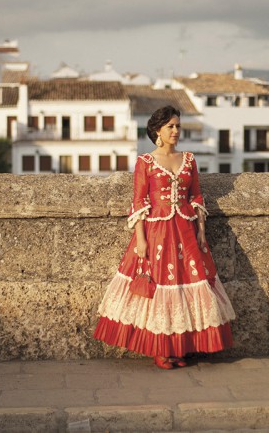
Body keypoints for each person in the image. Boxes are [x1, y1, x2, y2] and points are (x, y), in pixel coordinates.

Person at [93, 106, 235, 368]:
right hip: (156, 233)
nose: (176, 131)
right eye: (170, 126)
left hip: (186, 232)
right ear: (157, 130)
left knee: (185, 287)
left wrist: (201, 230)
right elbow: (138, 201)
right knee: (159, 288)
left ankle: (179, 348)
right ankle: (161, 349)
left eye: (178, 126)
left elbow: (196, 196)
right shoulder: (145, 162)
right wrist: (141, 240)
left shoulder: (189, 159)